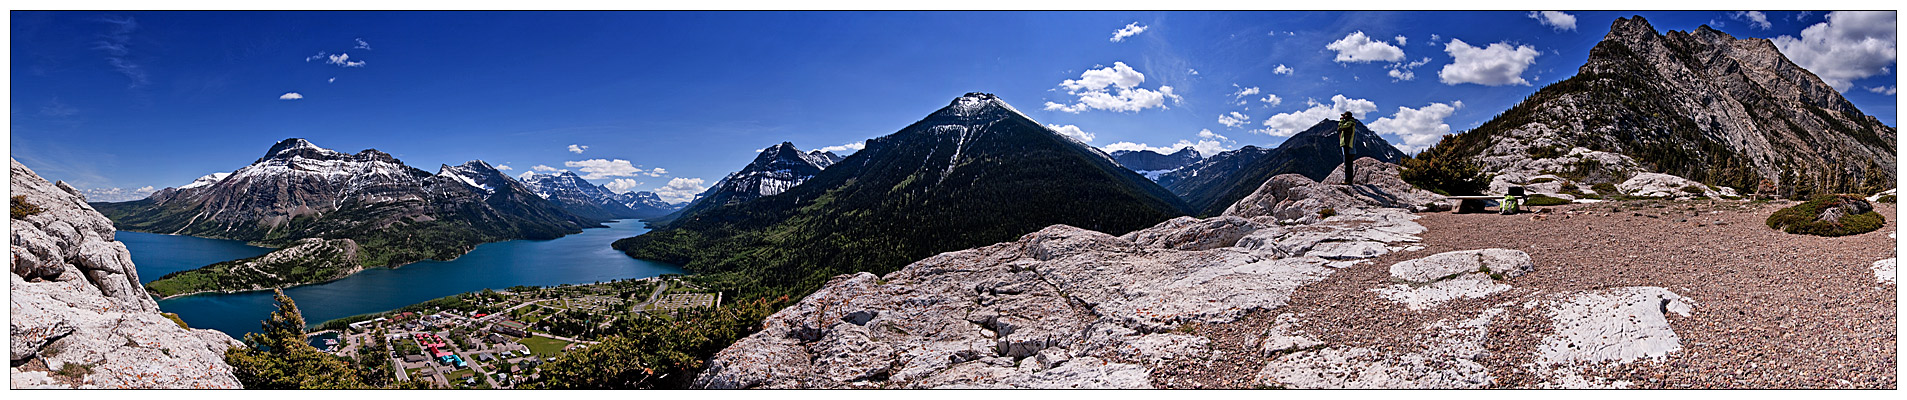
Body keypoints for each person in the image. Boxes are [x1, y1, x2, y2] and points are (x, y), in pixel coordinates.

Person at [1337, 111, 1358, 185]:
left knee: (1347, 164)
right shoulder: (1351, 123)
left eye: (1344, 117)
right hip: (1348, 145)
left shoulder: (1349, 123)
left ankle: (1347, 180)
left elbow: (1340, 127)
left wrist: (1341, 120)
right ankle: (1349, 180)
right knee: (1349, 164)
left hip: (1347, 145)